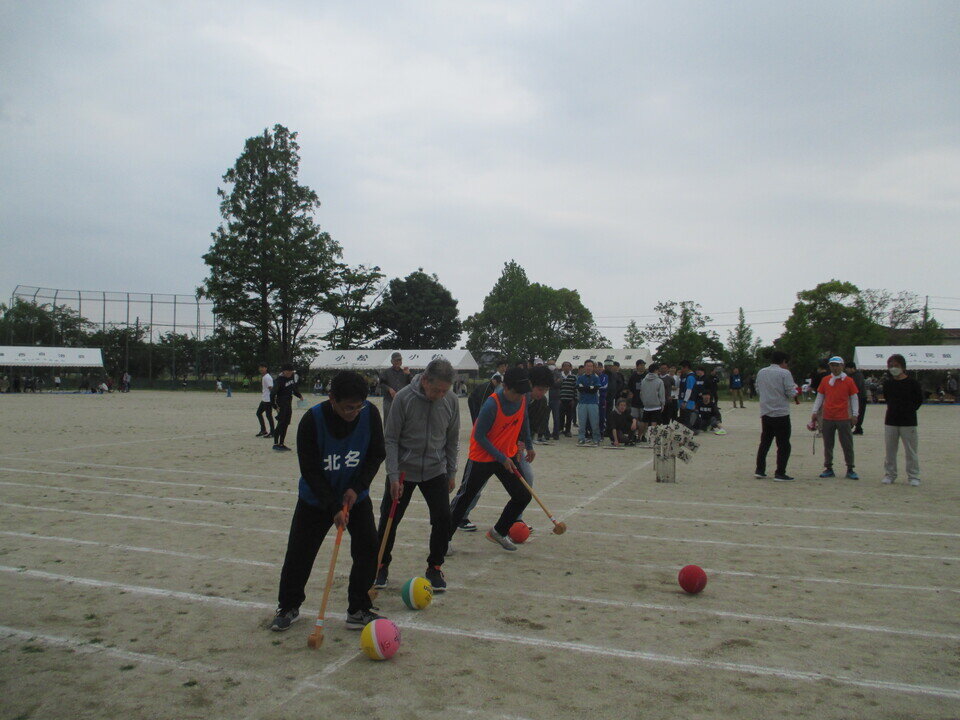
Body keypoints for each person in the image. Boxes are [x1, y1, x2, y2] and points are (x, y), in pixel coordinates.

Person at [269, 371, 386, 632]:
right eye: (348, 407)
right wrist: (333, 506)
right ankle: (288, 606)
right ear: (332, 399)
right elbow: (310, 470)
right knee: (300, 553)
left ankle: (358, 609)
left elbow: (376, 454)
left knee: (368, 548)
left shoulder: (370, 414)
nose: (353, 413)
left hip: (355, 497)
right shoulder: (312, 420)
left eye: (358, 407)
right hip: (316, 499)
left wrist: (357, 487)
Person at [374, 359, 459, 592]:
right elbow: (391, 439)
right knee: (389, 519)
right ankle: (380, 565)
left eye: (445, 391)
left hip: (435, 469)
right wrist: (393, 476)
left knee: (443, 518)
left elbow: (452, 439)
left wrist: (451, 471)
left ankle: (435, 567)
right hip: (403, 471)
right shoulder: (403, 398)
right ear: (425, 380)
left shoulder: (450, 400)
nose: (440, 395)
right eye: (437, 390)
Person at [449, 367, 549, 552]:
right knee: (465, 498)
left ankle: (498, 531)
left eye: (523, 393)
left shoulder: (522, 398)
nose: (520, 397)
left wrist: (529, 445)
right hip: (482, 458)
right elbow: (479, 436)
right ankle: (443, 538)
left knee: (522, 496)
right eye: (517, 393)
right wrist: (501, 458)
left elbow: (524, 420)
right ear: (505, 387)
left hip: (507, 456)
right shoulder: (491, 405)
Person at [811, 356, 859, 480]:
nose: (835, 368)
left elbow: (854, 398)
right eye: (832, 365)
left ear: (842, 366)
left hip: (843, 417)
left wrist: (855, 414)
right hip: (828, 416)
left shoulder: (848, 381)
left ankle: (850, 468)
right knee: (828, 444)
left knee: (847, 444)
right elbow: (820, 396)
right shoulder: (825, 380)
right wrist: (815, 411)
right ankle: (828, 467)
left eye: (837, 365)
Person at [755, 351, 798, 481]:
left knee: (765, 442)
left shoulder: (761, 372)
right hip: (781, 413)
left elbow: (758, 389)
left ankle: (760, 470)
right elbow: (791, 393)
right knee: (784, 444)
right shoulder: (785, 373)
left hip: (766, 412)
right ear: (783, 361)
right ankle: (780, 472)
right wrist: (796, 390)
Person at [881, 354, 923, 486]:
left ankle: (913, 476)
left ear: (903, 367)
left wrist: (909, 410)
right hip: (891, 420)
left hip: (908, 421)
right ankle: (890, 474)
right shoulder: (888, 384)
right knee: (890, 450)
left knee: (911, 450)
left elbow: (918, 400)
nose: (893, 368)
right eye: (891, 366)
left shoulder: (913, 383)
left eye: (896, 366)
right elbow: (887, 398)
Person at [272, 363, 303, 452]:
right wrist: (275, 406)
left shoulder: (291, 378)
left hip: (288, 402)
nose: (290, 373)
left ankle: (281, 443)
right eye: (288, 371)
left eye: (291, 371)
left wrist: (299, 395)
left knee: (286, 423)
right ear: (283, 371)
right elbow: (272, 394)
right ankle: (275, 443)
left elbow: (293, 389)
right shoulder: (279, 380)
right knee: (281, 423)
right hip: (281, 403)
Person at [379, 352, 411, 425]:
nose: (398, 362)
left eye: (400, 360)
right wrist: (389, 389)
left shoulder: (405, 372)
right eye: (396, 360)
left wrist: (409, 375)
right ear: (392, 361)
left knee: (402, 421)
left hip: (402, 401)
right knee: (388, 421)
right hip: (389, 400)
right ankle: (387, 433)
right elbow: (381, 384)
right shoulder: (386, 372)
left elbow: (412, 384)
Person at [637, 362, 665, 443]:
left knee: (644, 422)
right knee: (654, 422)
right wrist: (662, 403)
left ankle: (639, 437)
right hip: (656, 404)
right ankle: (653, 439)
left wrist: (644, 401)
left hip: (646, 405)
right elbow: (661, 394)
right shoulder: (659, 381)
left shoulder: (644, 380)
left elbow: (641, 393)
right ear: (656, 370)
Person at [576, 360, 602, 446]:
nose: (589, 368)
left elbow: (595, 389)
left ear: (593, 367)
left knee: (594, 422)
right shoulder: (580, 378)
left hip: (593, 402)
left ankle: (596, 439)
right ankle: (581, 438)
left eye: (591, 366)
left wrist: (586, 388)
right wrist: (590, 388)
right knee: (582, 422)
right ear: (584, 367)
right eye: (587, 366)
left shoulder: (596, 377)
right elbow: (580, 389)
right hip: (582, 402)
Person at [844, 361, 867, 435]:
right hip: (856, 397)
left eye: (847, 368)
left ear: (852, 368)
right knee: (854, 412)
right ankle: (856, 427)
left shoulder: (858, 375)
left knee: (859, 412)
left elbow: (856, 386)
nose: (846, 370)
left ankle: (858, 428)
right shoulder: (851, 375)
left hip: (860, 397)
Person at [255, 364, 276, 439]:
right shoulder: (264, 377)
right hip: (264, 399)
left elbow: (271, 388)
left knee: (268, 415)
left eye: (262, 367)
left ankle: (272, 432)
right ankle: (263, 430)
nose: (261, 369)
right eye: (260, 367)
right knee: (259, 413)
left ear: (266, 368)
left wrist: (273, 398)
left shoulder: (267, 377)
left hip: (268, 400)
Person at [558, 362, 577, 437]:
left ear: (570, 368)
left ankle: (568, 431)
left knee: (569, 416)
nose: (566, 367)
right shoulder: (559, 376)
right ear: (562, 367)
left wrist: (574, 399)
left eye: (568, 366)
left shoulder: (573, 377)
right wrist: (558, 399)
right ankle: (560, 429)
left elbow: (575, 389)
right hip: (561, 400)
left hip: (570, 400)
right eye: (565, 366)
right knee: (561, 415)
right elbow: (558, 388)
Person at [679, 361, 697, 428]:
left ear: (686, 367)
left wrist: (685, 401)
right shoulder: (684, 376)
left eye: (682, 368)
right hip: (682, 400)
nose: (681, 369)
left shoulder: (690, 377)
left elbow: (689, 389)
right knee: (682, 418)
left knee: (687, 418)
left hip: (688, 401)